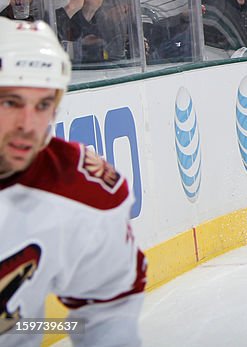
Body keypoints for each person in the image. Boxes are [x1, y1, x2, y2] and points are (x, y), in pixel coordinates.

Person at [0, 18, 147, 344]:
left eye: (43, 105)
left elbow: (106, 309)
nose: (28, 124)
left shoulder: (81, 190)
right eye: (10, 102)